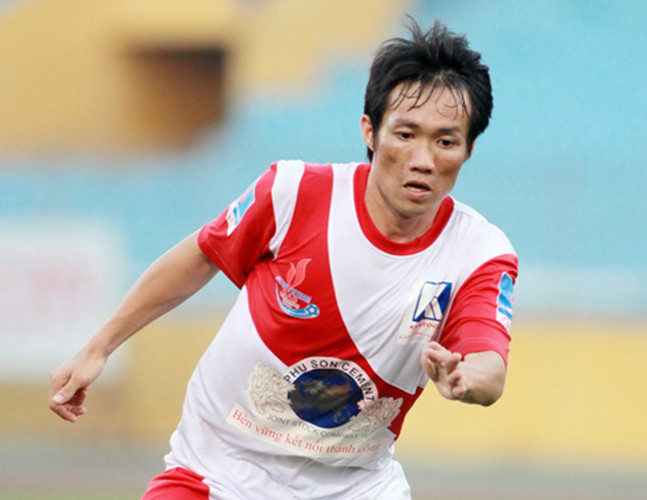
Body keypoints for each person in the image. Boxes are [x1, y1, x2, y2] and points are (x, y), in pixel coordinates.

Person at [49, 18, 518, 500]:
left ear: (468, 150)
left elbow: (489, 365)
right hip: (220, 469)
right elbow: (202, 255)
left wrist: (466, 380)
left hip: (353, 486)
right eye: (406, 134)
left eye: (445, 141)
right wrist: (99, 347)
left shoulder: (479, 252)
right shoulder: (294, 193)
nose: (423, 159)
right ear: (370, 131)